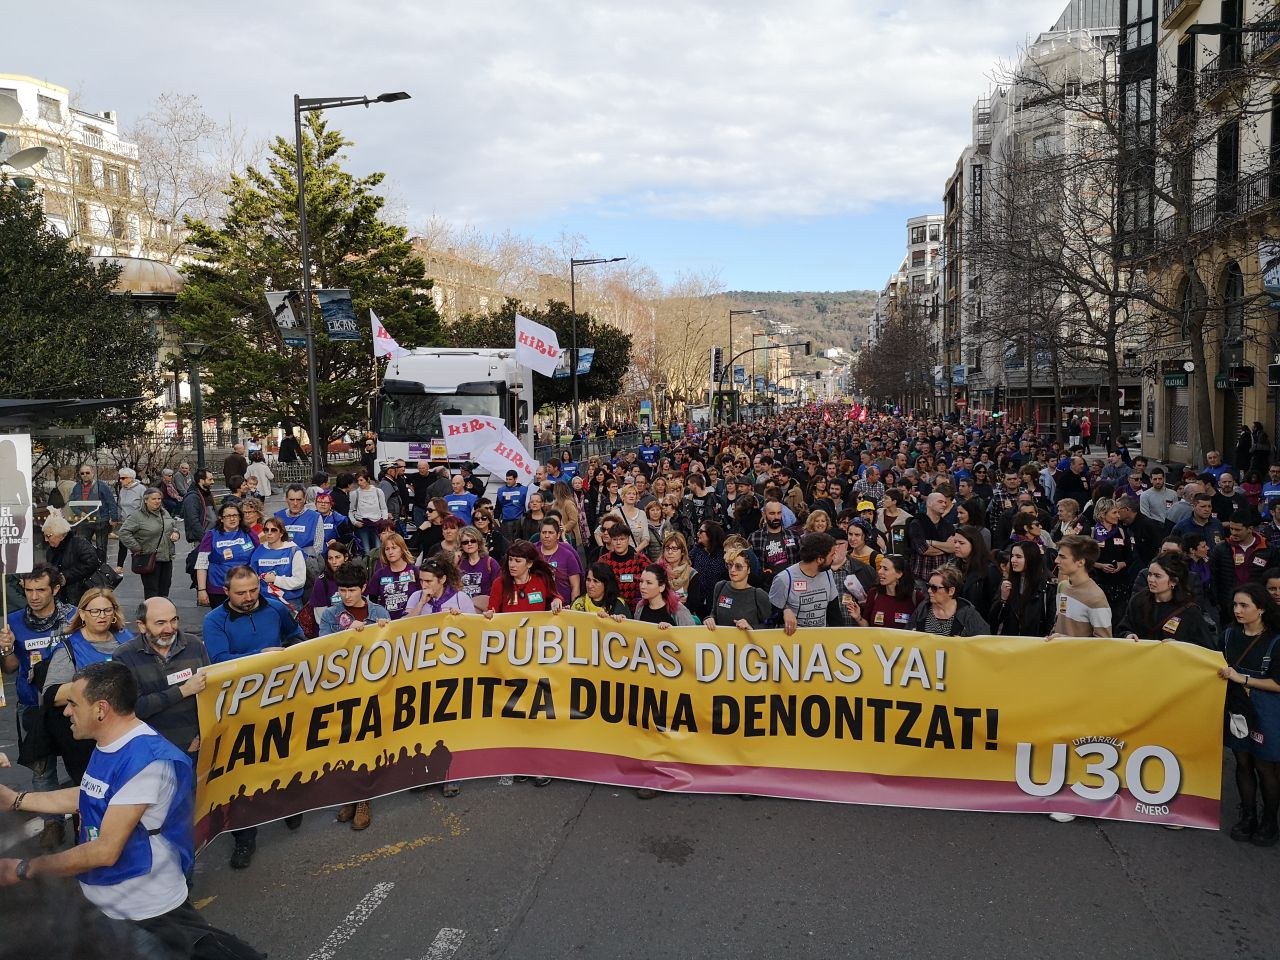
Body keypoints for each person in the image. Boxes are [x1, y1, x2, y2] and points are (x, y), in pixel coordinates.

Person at [0, 661, 266, 960]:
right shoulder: (110, 743)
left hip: (144, 913)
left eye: (72, 703)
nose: (66, 712)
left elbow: (105, 851)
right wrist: (16, 800)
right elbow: (89, 794)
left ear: (101, 709)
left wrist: (25, 869)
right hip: (110, 902)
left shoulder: (146, 762)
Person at [204, 567, 305, 866]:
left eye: (253, 591)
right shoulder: (213, 621)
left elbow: (296, 636)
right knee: (241, 773)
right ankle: (244, 839)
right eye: (241, 593)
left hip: (279, 700)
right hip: (239, 708)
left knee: (283, 757)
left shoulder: (275, 608)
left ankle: (291, 805)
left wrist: (290, 650)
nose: (249, 598)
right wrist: (262, 656)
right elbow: (219, 660)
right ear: (226, 592)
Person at [0, 563, 77, 850]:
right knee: (41, 770)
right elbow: (10, 669)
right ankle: (52, 823)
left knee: (80, 764)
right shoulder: (13, 621)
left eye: (41, 590)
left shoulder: (74, 616)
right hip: (32, 705)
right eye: (29, 590)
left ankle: (87, 816)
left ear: (55, 588)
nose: (33, 596)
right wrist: (6, 649)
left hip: (71, 704)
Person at [36, 588, 133, 787]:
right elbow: (50, 695)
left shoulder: (128, 640)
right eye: (95, 611)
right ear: (82, 614)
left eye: (107, 610)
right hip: (87, 738)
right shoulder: (69, 648)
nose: (102, 616)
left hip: (125, 729)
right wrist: (100, 684)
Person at [1218, 582, 1280, 846]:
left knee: (1265, 766)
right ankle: (1248, 814)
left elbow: (1278, 684)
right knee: (1242, 762)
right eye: (1235, 605)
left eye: (1244, 605)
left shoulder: (1276, 641)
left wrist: (1241, 678)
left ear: (1261, 609)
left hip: (1266, 712)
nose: (1238, 610)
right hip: (1236, 710)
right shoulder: (1229, 635)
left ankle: (1269, 820)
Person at [116, 597, 209, 761]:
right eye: (160, 623)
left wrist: (203, 734)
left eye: (174, 620)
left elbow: (211, 695)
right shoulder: (124, 656)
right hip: (150, 751)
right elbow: (134, 708)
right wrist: (183, 691)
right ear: (142, 626)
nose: (169, 628)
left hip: (194, 747)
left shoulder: (194, 645)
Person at [1118, 552, 1215, 647]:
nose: (1151, 579)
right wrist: (1127, 635)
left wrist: (1180, 645)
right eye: (1150, 574)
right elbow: (1123, 628)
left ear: (1174, 581)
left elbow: (1206, 647)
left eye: (1157, 576)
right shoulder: (1139, 600)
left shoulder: (1188, 610)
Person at [1211, 507, 1280, 628]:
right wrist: (1217, 602)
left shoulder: (1268, 549)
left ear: (1250, 529)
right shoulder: (1221, 548)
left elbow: (1273, 578)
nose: (1233, 533)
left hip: (1258, 606)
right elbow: (1214, 577)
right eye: (1231, 528)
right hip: (1228, 606)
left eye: (1238, 529)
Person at [769, 532, 841, 634]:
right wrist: (784, 612)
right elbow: (770, 616)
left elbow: (834, 614)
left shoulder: (827, 573)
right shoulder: (784, 579)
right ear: (820, 559)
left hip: (820, 642)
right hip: (793, 643)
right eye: (832, 554)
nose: (834, 558)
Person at [117, 488, 181, 601]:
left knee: (165, 588)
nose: (157, 501)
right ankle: (151, 614)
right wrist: (136, 547)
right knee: (152, 590)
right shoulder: (137, 516)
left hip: (166, 557)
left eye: (159, 499)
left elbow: (172, 525)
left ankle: (164, 612)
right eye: (153, 499)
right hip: (149, 558)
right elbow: (123, 532)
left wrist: (176, 533)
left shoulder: (164, 512)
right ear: (145, 500)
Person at [1050, 535, 1113, 640]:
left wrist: (1067, 641)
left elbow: (1104, 642)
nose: (1056, 560)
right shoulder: (1063, 586)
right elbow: (1058, 623)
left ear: (1080, 562)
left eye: (1062, 556)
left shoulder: (1096, 598)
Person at [988, 542, 1055, 637]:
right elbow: (994, 619)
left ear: (1031, 558)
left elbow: (1050, 620)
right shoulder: (1007, 583)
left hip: (1035, 644)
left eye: (1018, 557)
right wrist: (1002, 599)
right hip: (1010, 643)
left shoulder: (1047, 586)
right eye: (1012, 556)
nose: (1013, 560)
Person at [484, 539, 564, 616]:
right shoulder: (500, 583)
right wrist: (490, 614)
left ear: (529, 564)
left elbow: (556, 596)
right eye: (510, 559)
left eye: (517, 561)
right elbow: (492, 610)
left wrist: (557, 600)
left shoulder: (541, 580)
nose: (512, 565)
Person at [703, 546, 772, 630]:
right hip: (723, 641)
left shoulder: (758, 594)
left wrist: (751, 627)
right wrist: (709, 619)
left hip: (748, 642)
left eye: (738, 566)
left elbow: (770, 625)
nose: (732, 570)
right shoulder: (720, 586)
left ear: (749, 569)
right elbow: (714, 614)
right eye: (730, 565)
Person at [910, 565, 990, 636]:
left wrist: (965, 643)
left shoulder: (967, 613)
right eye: (928, 586)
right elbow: (907, 634)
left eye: (934, 588)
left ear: (951, 591)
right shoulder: (923, 608)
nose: (929, 591)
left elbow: (984, 642)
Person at [41, 510, 99, 604]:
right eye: (45, 536)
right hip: (61, 596)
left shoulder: (78, 543)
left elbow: (91, 563)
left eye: (48, 536)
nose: (46, 540)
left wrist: (66, 576)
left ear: (60, 534)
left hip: (81, 593)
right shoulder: (51, 551)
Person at [248, 516, 307, 611]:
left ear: (281, 533)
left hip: (290, 602)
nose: (269, 533)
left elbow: (299, 581)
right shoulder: (258, 551)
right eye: (266, 530)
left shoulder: (294, 550)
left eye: (274, 530)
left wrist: (275, 579)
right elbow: (253, 577)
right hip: (265, 601)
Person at [66, 465, 119, 559]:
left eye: (87, 472)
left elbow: (111, 502)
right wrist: (80, 513)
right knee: (83, 545)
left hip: (101, 520)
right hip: (85, 521)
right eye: (82, 473)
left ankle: (102, 568)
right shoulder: (77, 487)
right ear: (80, 475)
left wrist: (114, 518)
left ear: (93, 473)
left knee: (101, 547)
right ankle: (90, 564)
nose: (85, 475)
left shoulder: (101, 486)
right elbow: (72, 503)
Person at [365, 532, 419, 620]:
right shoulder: (379, 574)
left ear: (402, 549)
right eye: (387, 549)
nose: (390, 552)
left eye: (394, 548)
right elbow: (372, 603)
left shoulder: (414, 571)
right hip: (388, 624)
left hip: (412, 621)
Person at [405, 554, 476, 616]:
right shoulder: (416, 596)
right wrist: (420, 604)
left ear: (442, 579)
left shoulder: (460, 598)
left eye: (428, 581)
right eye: (421, 580)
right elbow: (403, 624)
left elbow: (473, 625)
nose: (423, 586)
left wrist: (460, 617)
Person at [275, 484, 325, 572]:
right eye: (291, 499)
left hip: (307, 562)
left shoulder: (315, 517)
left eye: (298, 499)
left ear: (304, 499)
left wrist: (299, 560)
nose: (295, 503)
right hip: (283, 561)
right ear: (286, 499)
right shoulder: (278, 516)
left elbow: (318, 546)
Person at [749, 500, 800, 582]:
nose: (776, 517)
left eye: (779, 513)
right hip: (767, 586)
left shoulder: (794, 535)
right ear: (764, 515)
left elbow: (801, 561)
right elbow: (750, 565)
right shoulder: (755, 537)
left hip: (792, 583)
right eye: (772, 513)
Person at [631, 563, 696, 629]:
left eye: (649, 583)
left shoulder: (679, 610)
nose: (642, 586)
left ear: (662, 587)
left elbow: (691, 635)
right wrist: (623, 622)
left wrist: (672, 631)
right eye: (641, 581)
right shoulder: (640, 607)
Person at [536, 516, 583, 605]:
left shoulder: (568, 555)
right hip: (539, 606)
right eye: (543, 532)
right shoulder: (532, 552)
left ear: (558, 535)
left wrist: (573, 607)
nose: (546, 536)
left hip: (563, 606)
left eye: (550, 533)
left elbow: (575, 586)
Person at [457, 524, 501, 613]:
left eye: (473, 541)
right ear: (461, 545)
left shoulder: (490, 562)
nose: (469, 544)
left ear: (479, 542)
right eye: (465, 542)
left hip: (484, 608)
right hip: (463, 609)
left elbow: (498, 588)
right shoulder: (459, 564)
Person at [348, 467, 390, 553]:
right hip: (362, 524)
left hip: (377, 524)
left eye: (361, 480)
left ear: (368, 479)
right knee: (366, 549)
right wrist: (355, 522)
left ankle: (378, 566)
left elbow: (383, 508)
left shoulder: (378, 492)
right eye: (357, 481)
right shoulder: (355, 494)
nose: (359, 483)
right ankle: (367, 565)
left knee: (379, 548)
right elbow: (351, 511)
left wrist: (384, 521)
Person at [114, 468, 145, 576]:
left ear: (131, 479)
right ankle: (119, 566)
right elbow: (119, 505)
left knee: (137, 544)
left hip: (137, 521)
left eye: (123, 478)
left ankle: (142, 563)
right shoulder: (122, 490)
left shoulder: (141, 489)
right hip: (124, 521)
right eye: (120, 478)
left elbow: (145, 505)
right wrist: (116, 518)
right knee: (122, 542)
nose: (121, 480)